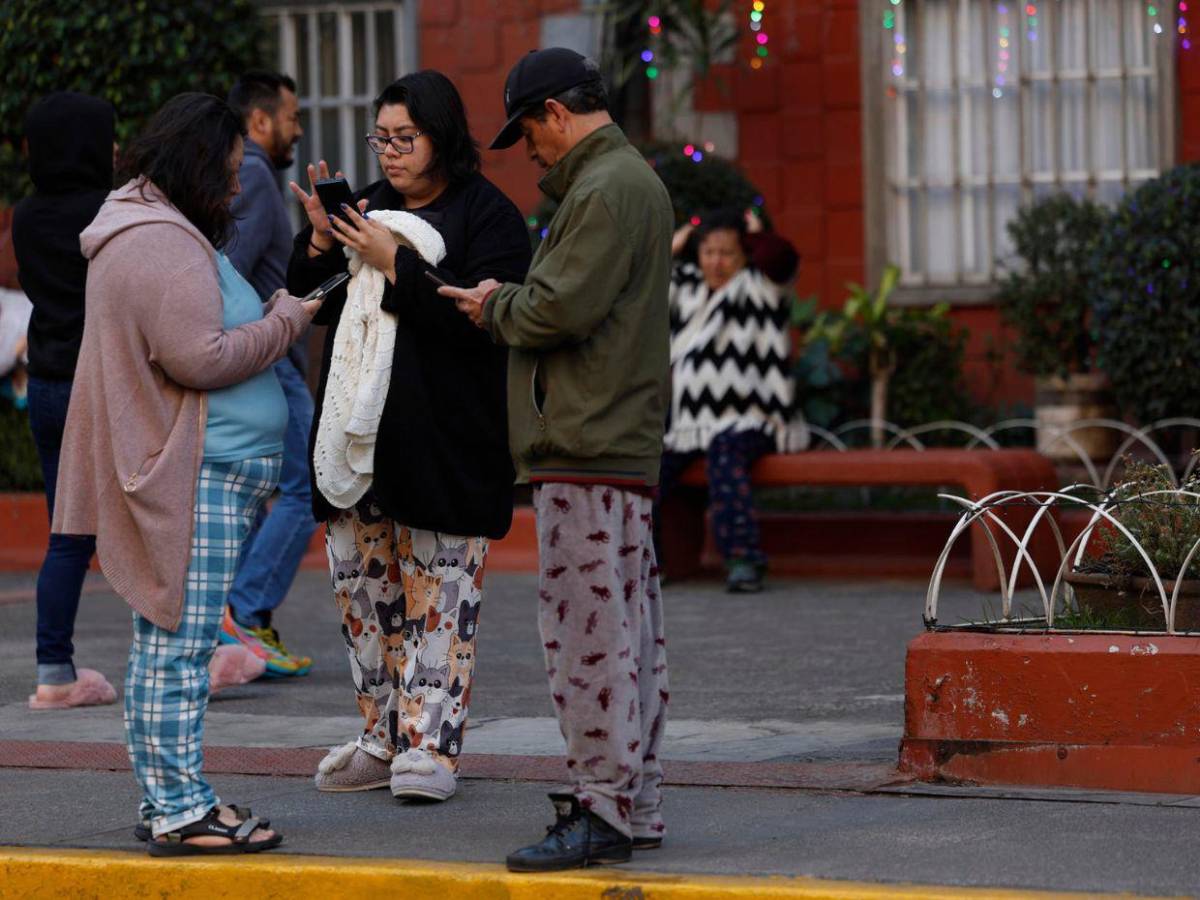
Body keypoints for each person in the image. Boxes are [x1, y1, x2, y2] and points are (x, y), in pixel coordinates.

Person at [53, 93, 320, 855]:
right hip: (193, 474)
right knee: (179, 650)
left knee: (168, 646)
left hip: (192, 470)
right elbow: (199, 357)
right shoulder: (158, 240)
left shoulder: (142, 228)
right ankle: (181, 809)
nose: (237, 190)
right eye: (230, 173)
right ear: (197, 165)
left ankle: (169, 797)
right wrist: (287, 321)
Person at [438, 48, 674, 871]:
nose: (529, 153)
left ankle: (602, 808)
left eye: (527, 133)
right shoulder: (624, 182)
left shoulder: (606, 189)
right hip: (612, 441)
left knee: (587, 639)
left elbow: (557, 308)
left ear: (552, 114)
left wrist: (493, 303)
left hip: (587, 440)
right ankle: (631, 805)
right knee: (628, 633)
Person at [286, 70, 530, 802]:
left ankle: (431, 751)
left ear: (441, 138)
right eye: (380, 138)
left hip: (446, 439)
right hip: (359, 441)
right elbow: (313, 301)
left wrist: (399, 266)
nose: (389, 154)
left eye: (404, 139)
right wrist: (324, 244)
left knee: (439, 597)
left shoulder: (489, 217)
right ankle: (380, 737)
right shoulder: (370, 207)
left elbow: (478, 321)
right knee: (366, 598)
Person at [12, 92, 114, 710]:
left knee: (65, 532)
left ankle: (55, 667)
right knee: (153, 525)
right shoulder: (106, 211)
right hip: (100, 385)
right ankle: (188, 653)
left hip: (47, 382)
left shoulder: (26, 215)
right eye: (104, 138)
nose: (115, 150)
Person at [219, 70, 314, 677]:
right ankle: (245, 615)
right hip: (269, 359)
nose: (298, 128)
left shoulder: (250, 174)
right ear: (259, 121)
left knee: (262, 490)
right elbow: (228, 270)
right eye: (292, 116)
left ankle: (233, 621)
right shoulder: (253, 175)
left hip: (265, 357)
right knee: (307, 484)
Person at [657, 207, 800, 594]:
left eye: (727, 254)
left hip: (752, 418)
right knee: (648, 472)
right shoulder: (685, 287)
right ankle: (652, 564)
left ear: (744, 257)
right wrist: (673, 245)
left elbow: (781, 260)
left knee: (725, 458)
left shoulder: (761, 286)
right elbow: (644, 281)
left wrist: (757, 236)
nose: (716, 262)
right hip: (688, 426)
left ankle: (743, 559)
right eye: (709, 252)